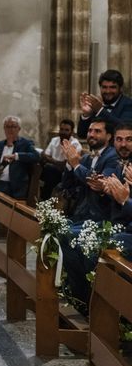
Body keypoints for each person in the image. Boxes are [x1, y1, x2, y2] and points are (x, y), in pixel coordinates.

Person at [59, 122, 132, 316]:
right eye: (120, 140)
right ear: (114, 141)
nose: (123, 144)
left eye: (129, 140)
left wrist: (124, 199)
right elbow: (68, 184)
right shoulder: (120, 163)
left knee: (90, 247)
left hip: (120, 228)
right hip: (116, 223)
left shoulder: (114, 161)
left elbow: (120, 200)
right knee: (66, 235)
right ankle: (81, 300)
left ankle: (102, 310)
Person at [59, 119, 118, 223]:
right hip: (78, 214)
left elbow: (98, 182)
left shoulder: (113, 156)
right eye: (90, 131)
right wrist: (69, 163)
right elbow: (67, 186)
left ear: (109, 136)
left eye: (97, 131)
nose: (91, 134)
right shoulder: (86, 158)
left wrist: (76, 165)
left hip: (99, 218)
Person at [77, 69, 132, 138]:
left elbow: (125, 129)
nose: (108, 91)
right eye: (104, 87)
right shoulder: (96, 105)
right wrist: (86, 115)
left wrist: (100, 111)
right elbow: (82, 134)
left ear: (120, 88)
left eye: (112, 87)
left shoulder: (129, 104)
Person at [39, 119, 83, 200]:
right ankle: (44, 199)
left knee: (49, 169)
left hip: (67, 175)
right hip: (52, 172)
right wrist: (55, 162)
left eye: (66, 130)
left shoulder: (74, 144)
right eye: (62, 129)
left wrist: (51, 161)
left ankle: (44, 199)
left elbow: (65, 165)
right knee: (42, 165)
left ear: (71, 132)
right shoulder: (54, 140)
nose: (63, 132)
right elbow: (45, 156)